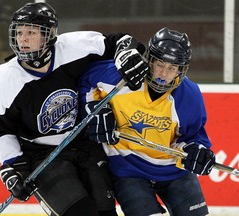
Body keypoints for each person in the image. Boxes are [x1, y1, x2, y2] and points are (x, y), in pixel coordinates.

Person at [0, 2, 148, 216]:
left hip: (84, 143)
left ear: (49, 34)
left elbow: (120, 41)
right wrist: (13, 164)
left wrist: (126, 54)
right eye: (18, 32)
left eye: (31, 32)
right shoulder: (4, 78)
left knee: (106, 213)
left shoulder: (74, 47)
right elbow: (0, 128)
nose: (22, 39)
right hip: (41, 154)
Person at [79, 27, 216, 216]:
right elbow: (85, 81)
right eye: (159, 64)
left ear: (181, 70)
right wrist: (94, 109)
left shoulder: (189, 95)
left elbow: (194, 137)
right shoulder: (119, 78)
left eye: (172, 68)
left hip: (174, 172)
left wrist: (196, 151)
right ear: (149, 60)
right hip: (128, 170)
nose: (163, 74)